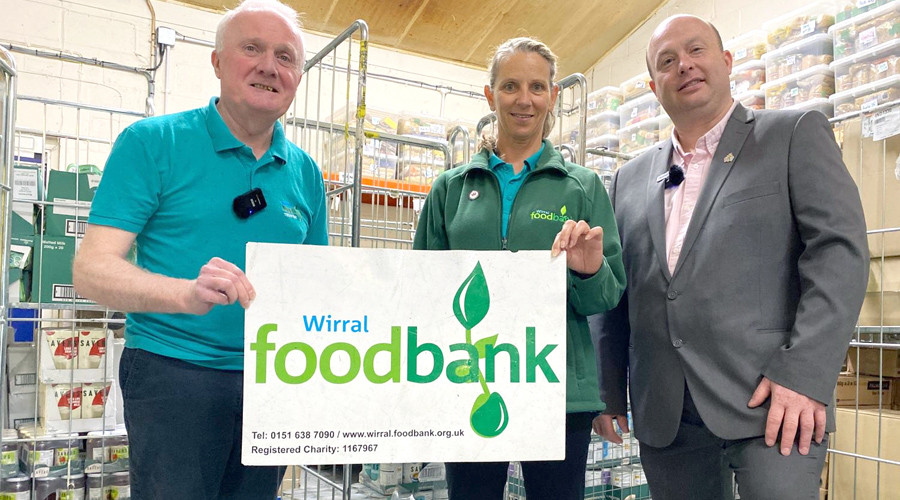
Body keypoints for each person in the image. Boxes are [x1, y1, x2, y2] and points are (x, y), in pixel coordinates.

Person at [592, 14, 869, 500]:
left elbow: (839, 254)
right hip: (666, 411)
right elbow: (618, 290)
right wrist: (608, 388)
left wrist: (804, 374)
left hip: (774, 401)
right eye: (667, 61)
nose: (684, 66)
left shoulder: (792, 134)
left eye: (696, 51)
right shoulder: (628, 179)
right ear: (655, 87)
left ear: (725, 62)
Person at [72, 0, 328, 498]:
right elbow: (91, 271)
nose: (269, 67)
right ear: (216, 62)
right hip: (174, 373)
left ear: (298, 75)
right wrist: (185, 294)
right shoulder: (152, 143)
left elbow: (314, 282)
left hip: (275, 380)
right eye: (251, 48)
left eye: (285, 56)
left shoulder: (306, 173)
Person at [413, 37, 626, 500]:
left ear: (552, 96)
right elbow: (419, 291)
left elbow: (607, 297)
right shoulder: (450, 189)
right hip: (468, 381)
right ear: (491, 95)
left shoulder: (582, 187)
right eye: (510, 86)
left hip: (557, 387)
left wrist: (588, 272)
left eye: (536, 86)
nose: (524, 99)